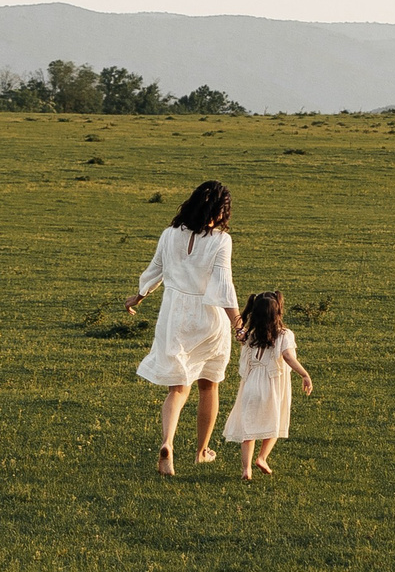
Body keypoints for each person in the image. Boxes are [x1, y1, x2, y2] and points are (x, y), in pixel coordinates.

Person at [127, 179, 242, 476]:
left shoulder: (169, 234)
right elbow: (224, 286)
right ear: (221, 210)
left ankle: (167, 442)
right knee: (209, 384)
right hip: (209, 316)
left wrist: (139, 295)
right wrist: (238, 324)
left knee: (178, 387)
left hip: (174, 315)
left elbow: (156, 269)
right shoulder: (220, 240)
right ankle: (202, 451)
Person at [224, 290, 313, 480]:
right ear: (278, 313)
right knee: (274, 421)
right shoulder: (284, 334)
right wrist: (304, 374)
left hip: (251, 385)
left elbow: (241, 338)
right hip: (272, 385)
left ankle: (246, 469)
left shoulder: (251, 335)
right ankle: (262, 458)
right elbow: (288, 356)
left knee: (249, 427)